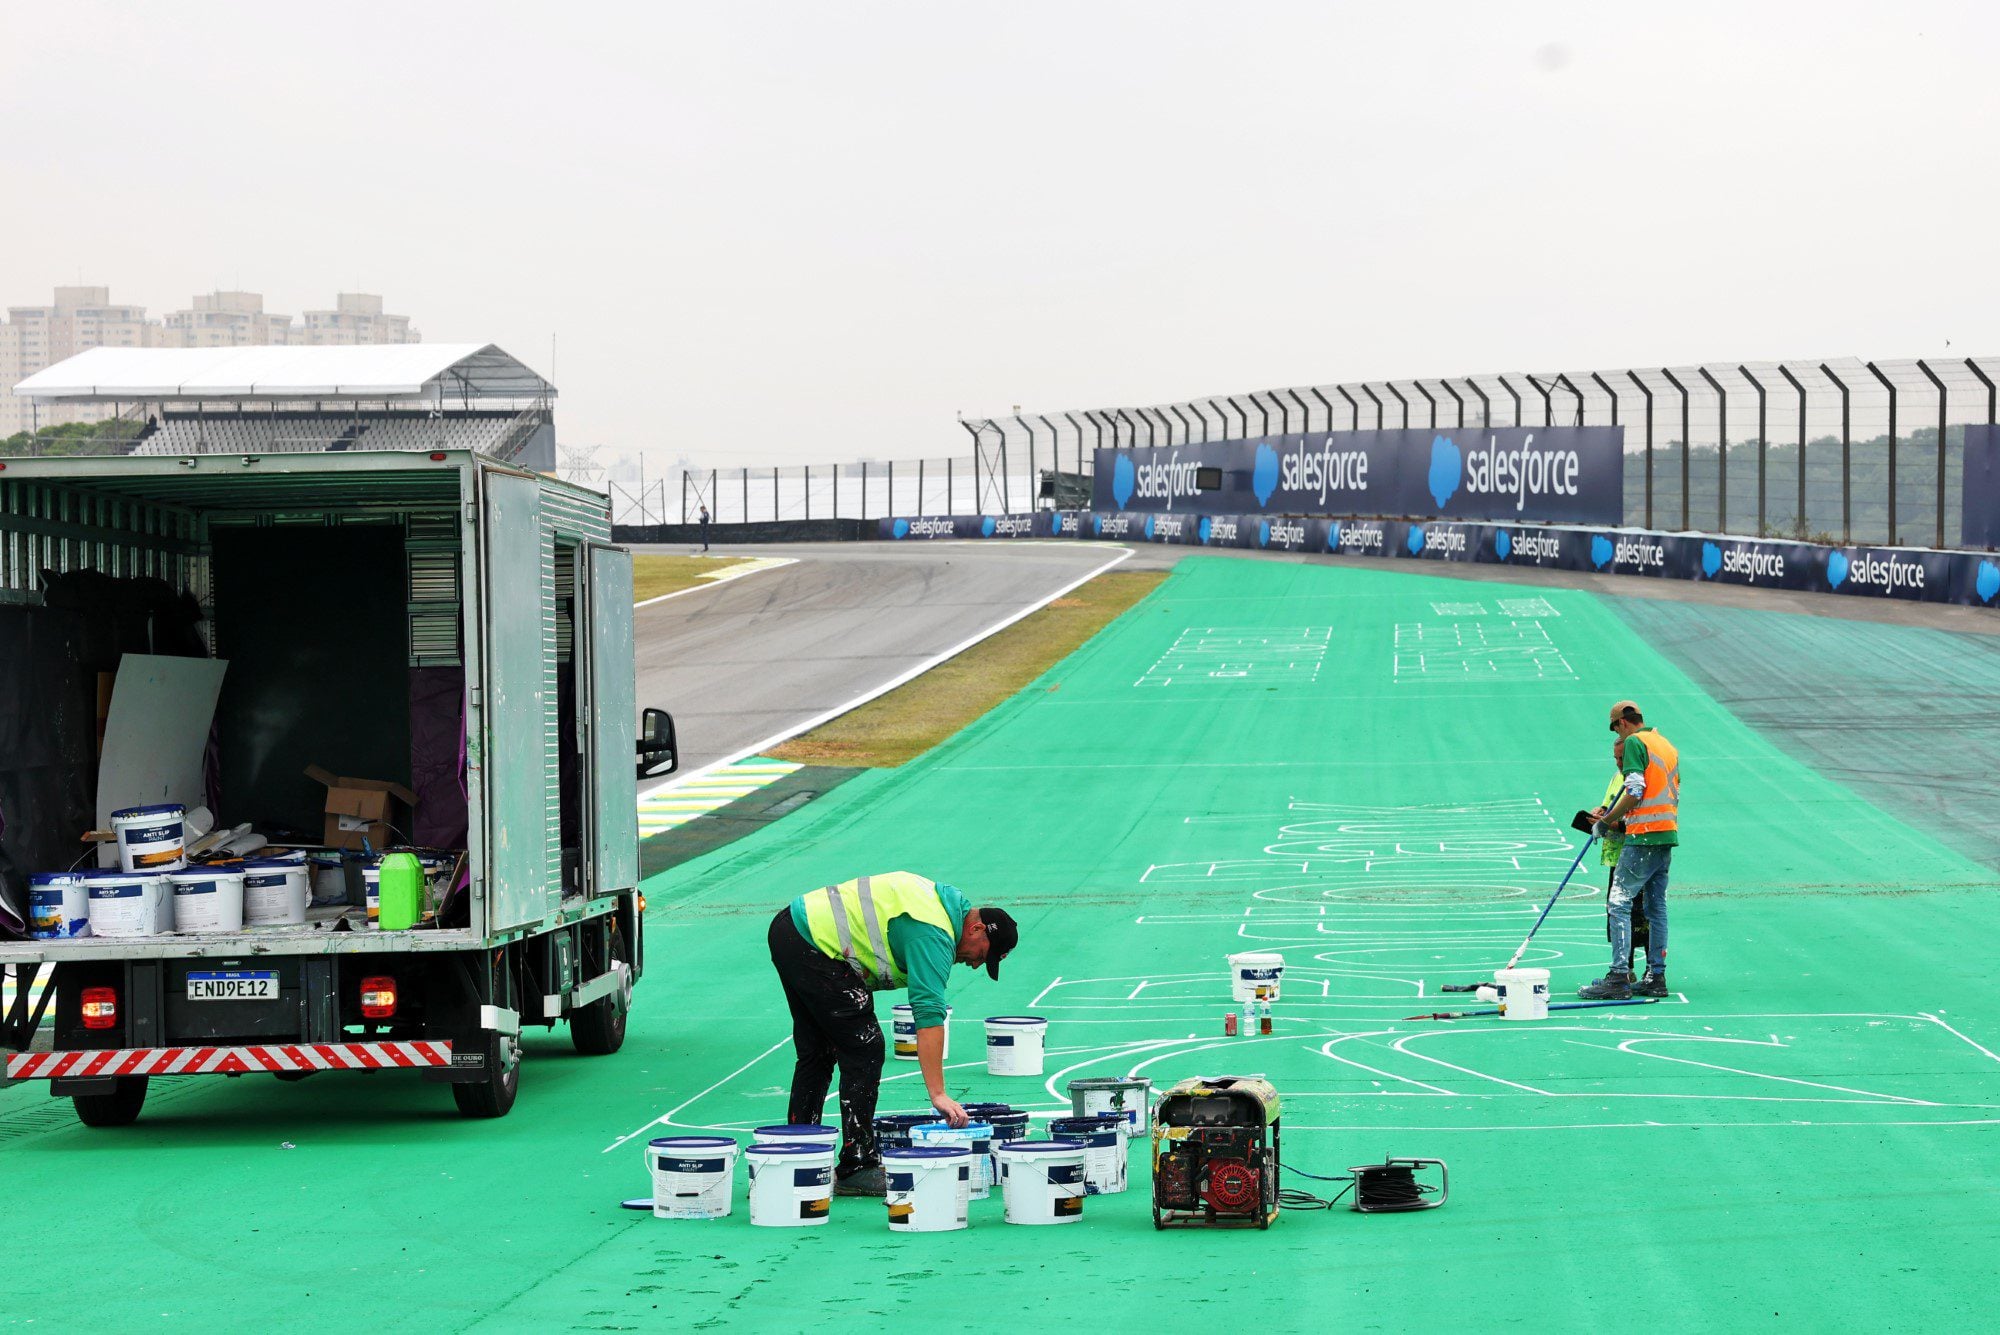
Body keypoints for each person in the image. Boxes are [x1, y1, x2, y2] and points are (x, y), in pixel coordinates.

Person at [766, 872, 1019, 1196]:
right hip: (814, 943)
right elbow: (928, 1016)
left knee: (818, 1052)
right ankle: (857, 1165)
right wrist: (938, 1094)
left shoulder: (942, 905)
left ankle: (798, 1159)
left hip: (793, 930)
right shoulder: (933, 933)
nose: (975, 965)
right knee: (865, 1047)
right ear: (976, 929)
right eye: (983, 955)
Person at [1580, 701, 1678, 1000]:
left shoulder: (1635, 742)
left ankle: (1619, 977)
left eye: (1615, 728)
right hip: (1666, 833)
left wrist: (1605, 821)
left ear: (1622, 723)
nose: (1618, 734)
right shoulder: (1665, 744)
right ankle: (1655, 976)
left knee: (1619, 903)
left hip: (1642, 836)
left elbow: (1634, 790)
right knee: (1656, 908)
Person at [1589, 737, 1648, 977]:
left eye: (1622, 758)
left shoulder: (1641, 781)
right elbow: (1609, 806)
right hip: (1617, 856)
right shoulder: (1617, 777)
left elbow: (1637, 820)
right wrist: (1600, 813)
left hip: (1638, 854)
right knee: (1617, 912)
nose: (1619, 763)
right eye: (1615, 758)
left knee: (1641, 914)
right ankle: (1627, 968)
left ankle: (1650, 970)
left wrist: (1609, 824)